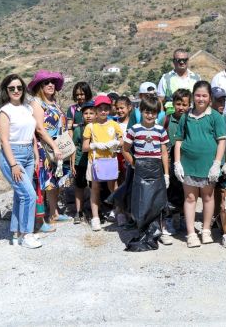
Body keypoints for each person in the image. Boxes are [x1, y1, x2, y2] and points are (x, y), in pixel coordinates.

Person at [174, 81, 226, 248]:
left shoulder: (216, 117)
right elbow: (178, 141)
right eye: (197, 95)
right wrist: (177, 163)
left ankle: (205, 230)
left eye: (204, 95)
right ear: (193, 97)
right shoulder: (186, 116)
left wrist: (217, 163)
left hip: (208, 165)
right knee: (190, 198)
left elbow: (222, 141)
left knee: (208, 197)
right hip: (188, 164)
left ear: (210, 97)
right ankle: (191, 233)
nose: (201, 98)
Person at [0, 74, 42, 248]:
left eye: (19, 87)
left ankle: (15, 233)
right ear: (6, 91)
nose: (16, 91)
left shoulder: (27, 108)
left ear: (23, 89)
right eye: (12, 88)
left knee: (20, 195)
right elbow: (4, 140)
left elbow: (32, 135)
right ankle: (26, 234)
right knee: (29, 195)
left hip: (29, 154)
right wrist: (14, 164)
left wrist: (36, 155)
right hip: (12, 156)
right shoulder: (5, 111)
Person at [122, 95, 171, 249]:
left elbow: (164, 153)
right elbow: (125, 150)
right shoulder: (134, 129)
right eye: (147, 112)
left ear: (157, 113)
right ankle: (144, 231)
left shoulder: (160, 130)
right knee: (142, 201)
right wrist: (134, 163)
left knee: (157, 201)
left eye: (153, 112)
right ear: (141, 111)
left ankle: (158, 232)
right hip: (140, 169)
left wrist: (167, 174)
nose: (150, 115)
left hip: (157, 168)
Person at [28, 69, 67, 229]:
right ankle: (40, 219)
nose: (51, 85)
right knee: (42, 183)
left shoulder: (54, 102)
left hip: (55, 147)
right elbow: (39, 129)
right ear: (39, 86)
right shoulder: (36, 103)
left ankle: (54, 213)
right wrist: (54, 146)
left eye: (52, 82)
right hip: (44, 147)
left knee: (54, 182)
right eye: (46, 82)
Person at [82, 94, 123, 231]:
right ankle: (95, 218)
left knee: (114, 188)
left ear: (110, 109)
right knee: (95, 189)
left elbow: (122, 142)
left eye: (106, 108)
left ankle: (119, 213)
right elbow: (84, 147)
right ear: (96, 110)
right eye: (100, 109)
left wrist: (116, 143)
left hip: (110, 161)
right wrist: (95, 146)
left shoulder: (114, 124)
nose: (103, 111)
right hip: (95, 162)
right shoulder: (90, 127)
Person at [166, 89, 192, 224]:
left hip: (187, 160)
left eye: (185, 105)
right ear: (173, 104)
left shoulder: (191, 120)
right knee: (171, 189)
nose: (181, 107)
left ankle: (183, 217)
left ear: (189, 105)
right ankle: (170, 218)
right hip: (170, 161)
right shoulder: (166, 119)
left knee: (186, 191)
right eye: (178, 104)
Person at [210, 87, 226, 218]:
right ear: (211, 100)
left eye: (224, 101)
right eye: (218, 101)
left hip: (223, 161)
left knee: (223, 190)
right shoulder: (206, 117)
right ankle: (212, 217)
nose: (222, 104)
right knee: (209, 192)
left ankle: (220, 217)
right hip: (209, 161)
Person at [70, 100, 95, 224]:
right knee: (79, 187)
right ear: (82, 115)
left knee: (94, 187)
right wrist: (72, 164)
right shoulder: (78, 130)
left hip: (94, 162)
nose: (89, 115)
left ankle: (94, 210)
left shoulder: (98, 128)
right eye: (86, 113)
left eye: (92, 113)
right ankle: (79, 211)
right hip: (80, 162)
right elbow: (74, 147)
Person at [157, 48, 202, 114]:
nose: (182, 62)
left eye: (184, 60)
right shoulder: (165, 78)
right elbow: (160, 100)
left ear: (188, 60)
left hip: (191, 117)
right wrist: (162, 117)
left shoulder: (197, 78)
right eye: (179, 60)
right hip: (171, 117)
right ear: (174, 61)